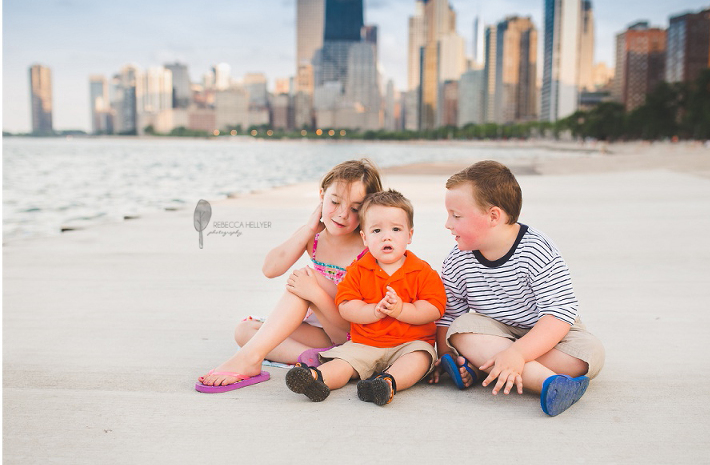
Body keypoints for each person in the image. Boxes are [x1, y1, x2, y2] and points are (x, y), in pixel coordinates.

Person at [431, 160, 605, 416]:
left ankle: (484, 365)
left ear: (493, 216)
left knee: (589, 354)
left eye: (456, 216)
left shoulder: (536, 249)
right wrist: (444, 359)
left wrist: (518, 353)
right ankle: (549, 383)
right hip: (494, 331)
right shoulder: (458, 258)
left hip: (547, 333)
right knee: (459, 331)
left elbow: (558, 314)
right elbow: (450, 314)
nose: (448, 223)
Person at [196, 159, 383, 393]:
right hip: (320, 335)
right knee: (244, 331)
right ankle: (316, 358)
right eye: (335, 202)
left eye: (355, 209)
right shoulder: (315, 238)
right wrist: (307, 229)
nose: (343, 214)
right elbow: (270, 268)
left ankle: (249, 360)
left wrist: (314, 292)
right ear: (322, 196)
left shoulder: (366, 248)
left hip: (348, 332)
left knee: (305, 280)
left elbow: (353, 317)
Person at [285, 189, 446, 405]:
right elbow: (345, 305)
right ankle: (316, 379)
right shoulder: (358, 270)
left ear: (409, 235)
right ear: (365, 237)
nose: (386, 236)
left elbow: (434, 308)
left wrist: (402, 310)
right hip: (366, 343)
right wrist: (373, 311)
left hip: (410, 343)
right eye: (377, 230)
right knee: (344, 361)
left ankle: (387, 383)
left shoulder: (422, 271)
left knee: (420, 358)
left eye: (396, 229)